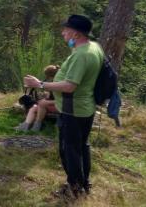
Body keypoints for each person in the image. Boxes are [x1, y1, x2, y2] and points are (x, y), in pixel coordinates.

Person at [23, 14, 104, 200]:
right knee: (81, 146)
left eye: (66, 30)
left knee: (69, 150)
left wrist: (40, 84)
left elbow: (69, 86)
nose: (62, 33)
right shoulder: (93, 48)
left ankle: (74, 189)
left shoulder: (82, 55)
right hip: (84, 108)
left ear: (76, 34)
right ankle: (83, 183)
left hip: (73, 110)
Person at [15, 65, 59, 131]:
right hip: (50, 104)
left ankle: (36, 125)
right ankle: (25, 126)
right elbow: (51, 96)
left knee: (41, 104)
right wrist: (45, 95)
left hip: (58, 105)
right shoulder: (52, 83)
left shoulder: (57, 84)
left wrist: (46, 101)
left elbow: (61, 99)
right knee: (34, 108)